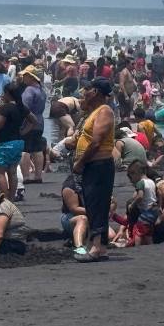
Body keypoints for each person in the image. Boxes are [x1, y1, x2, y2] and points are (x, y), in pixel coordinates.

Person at [72, 77, 116, 263]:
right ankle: (101, 247)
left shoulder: (104, 111)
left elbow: (96, 142)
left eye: (87, 90)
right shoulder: (95, 111)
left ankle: (97, 247)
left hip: (99, 165)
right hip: (94, 165)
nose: (84, 93)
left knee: (97, 206)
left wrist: (80, 162)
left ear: (96, 92)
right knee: (94, 205)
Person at [126, 160, 164, 244]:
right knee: (132, 205)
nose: (131, 181)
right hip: (161, 216)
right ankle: (133, 234)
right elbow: (134, 202)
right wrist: (123, 228)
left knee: (145, 230)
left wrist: (160, 219)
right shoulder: (147, 184)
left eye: (131, 177)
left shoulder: (159, 182)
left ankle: (136, 238)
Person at [0, 82, 26, 200]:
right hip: (18, 142)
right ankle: (11, 198)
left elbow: (0, 124)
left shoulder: (6, 107)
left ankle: (5, 198)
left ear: (8, 94)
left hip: (6, 143)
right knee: (12, 171)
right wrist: (23, 132)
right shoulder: (21, 107)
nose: (3, 95)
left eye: (4, 93)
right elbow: (34, 121)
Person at [19, 66, 47, 183]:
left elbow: (24, 108)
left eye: (25, 76)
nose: (23, 78)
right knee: (37, 148)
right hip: (40, 121)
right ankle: (38, 176)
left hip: (29, 122)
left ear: (30, 77)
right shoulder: (41, 90)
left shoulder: (29, 90)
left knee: (25, 149)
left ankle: (25, 177)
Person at [60, 174, 89, 254]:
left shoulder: (95, 181)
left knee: (111, 235)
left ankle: (81, 239)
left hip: (92, 216)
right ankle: (79, 248)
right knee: (82, 219)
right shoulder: (70, 185)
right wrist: (95, 211)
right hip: (71, 217)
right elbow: (74, 209)